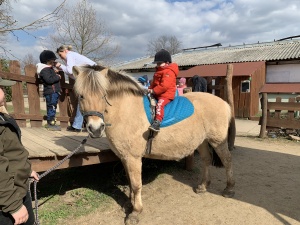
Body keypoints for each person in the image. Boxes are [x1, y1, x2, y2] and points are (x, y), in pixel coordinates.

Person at [0, 81, 39, 225]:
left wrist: (26, 169)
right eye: (1, 88)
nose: (4, 91)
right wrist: (13, 206)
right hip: (6, 205)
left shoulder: (3, 116)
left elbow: (12, 151)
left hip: (18, 191)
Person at [55, 45, 96, 132]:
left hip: (91, 79)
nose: (60, 57)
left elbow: (70, 71)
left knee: (83, 101)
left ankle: (78, 125)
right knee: (82, 101)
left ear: (65, 51)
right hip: (91, 78)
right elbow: (72, 73)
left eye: (60, 54)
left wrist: (60, 66)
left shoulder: (70, 55)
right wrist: (62, 69)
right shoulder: (73, 56)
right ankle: (77, 125)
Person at [148, 49, 179, 132]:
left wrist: (153, 91)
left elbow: (164, 86)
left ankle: (157, 122)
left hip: (166, 94)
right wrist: (149, 89)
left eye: (159, 63)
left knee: (159, 104)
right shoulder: (158, 72)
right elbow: (154, 83)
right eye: (157, 63)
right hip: (158, 93)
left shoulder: (169, 72)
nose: (158, 65)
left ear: (167, 62)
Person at [36, 50, 62, 131]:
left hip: (53, 92)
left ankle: (51, 122)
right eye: (52, 60)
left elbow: (50, 75)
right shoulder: (44, 70)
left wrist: (55, 71)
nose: (54, 61)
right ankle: (50, 124)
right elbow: (49, 80)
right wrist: (58, 77)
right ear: (47, 61)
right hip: (51, 92)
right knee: (51, 107)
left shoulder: (48, 69)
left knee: (53, 107)